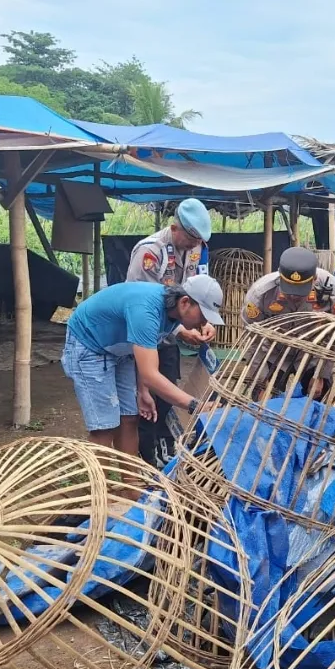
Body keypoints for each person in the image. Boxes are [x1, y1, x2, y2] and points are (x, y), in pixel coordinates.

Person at [61, 275, 225, 456]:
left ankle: (132, 483)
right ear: (185, 302)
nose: (203, 323)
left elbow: (145, 356)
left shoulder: (174, 311)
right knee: (104, 428)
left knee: (130, 418)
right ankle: (99, 483)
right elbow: (150, 374)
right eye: (203, 315)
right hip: (90, 343)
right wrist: (195, 405)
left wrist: (143, 391)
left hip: (121, 348)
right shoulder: (146, 311)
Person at [126, 198, 215, 467]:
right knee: (145, 393)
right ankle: (145, 456)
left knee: (167, 390)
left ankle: (165, 447)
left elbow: (199, 293)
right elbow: (140, 305)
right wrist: (180, 330)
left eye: (198, 240)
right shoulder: (150, 253)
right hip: (144, 332)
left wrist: (204, 322)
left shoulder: (197, 249)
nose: (193, 245)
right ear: (175, 228)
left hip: (169, 332)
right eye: (190, 238)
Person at [241, 246, 335, 400]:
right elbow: (252, 339)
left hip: (313, 354)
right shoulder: (260, 294)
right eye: (289, 289)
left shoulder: (333, 292)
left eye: (300, 290)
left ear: (314, 279)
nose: (293, 296)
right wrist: (261, 380)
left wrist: (321, 373)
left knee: (317, 398)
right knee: (264, 402)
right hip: (274, 353)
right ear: (279, 276)